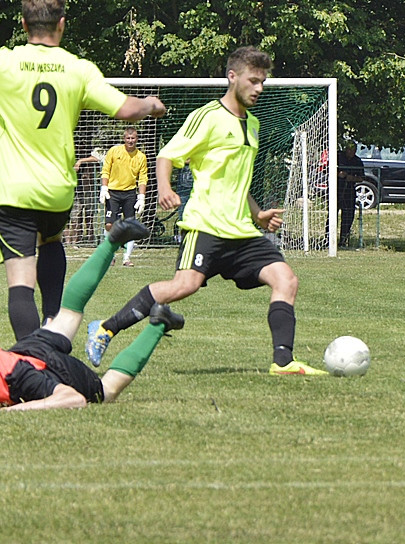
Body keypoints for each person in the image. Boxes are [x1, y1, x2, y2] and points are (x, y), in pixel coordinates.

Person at [85, 46, 327, 376]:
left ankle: (283, 362)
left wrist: (257, 214)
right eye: (253, 81)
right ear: (233, 76)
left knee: (286, 279)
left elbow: (237, 181)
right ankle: (105, 328)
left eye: (263, 82)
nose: (258, 88)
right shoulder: (208, 116)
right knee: (183, 286)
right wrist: (165, 188)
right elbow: (167, 156)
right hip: (206, 226)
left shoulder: (253, 124)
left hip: (242, 231)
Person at [0, 0, 165, 341]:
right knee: (52, 240)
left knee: (20, 281)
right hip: (56, 191)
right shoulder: (78, 69)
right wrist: (151, 104)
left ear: (23, 24)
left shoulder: (5, 63)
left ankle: (31, 358)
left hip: (13, 189)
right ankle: (52, 320)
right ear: (62, 24)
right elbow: (126, 109)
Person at [1, 219, 183, 411]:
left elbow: (73, 399)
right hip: (21, 354)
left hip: (20, 373)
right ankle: (112, 242)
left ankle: (158, 324)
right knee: (67, 315)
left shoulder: (21, 379)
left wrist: (12, 410)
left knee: (105, 391)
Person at [100, 126, 148, 266]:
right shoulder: (114, 151)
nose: (130, 141)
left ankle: (126, 258)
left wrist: (141, 197)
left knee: (130, 225)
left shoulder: (141, 157)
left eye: (133, 138)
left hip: (129, 193)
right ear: (124, 139)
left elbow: (143, 178)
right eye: (128, 138)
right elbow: (105, 170)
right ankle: (110, 254)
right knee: (109, 224)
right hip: (113, 192)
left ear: (137, 139)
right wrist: (104, 188)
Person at [335, 143, 363, 247]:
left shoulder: (357, 161)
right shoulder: (338, 157)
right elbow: (326, 170)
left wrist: (352, 178)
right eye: (349, 150)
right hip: (337, 189)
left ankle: (343, 240)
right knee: (333, 214)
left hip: (349, 190)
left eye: (353, 150)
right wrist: (339, 174)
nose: (351, 152)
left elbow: (361, 178)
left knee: (348, 215)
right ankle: (328, 239)